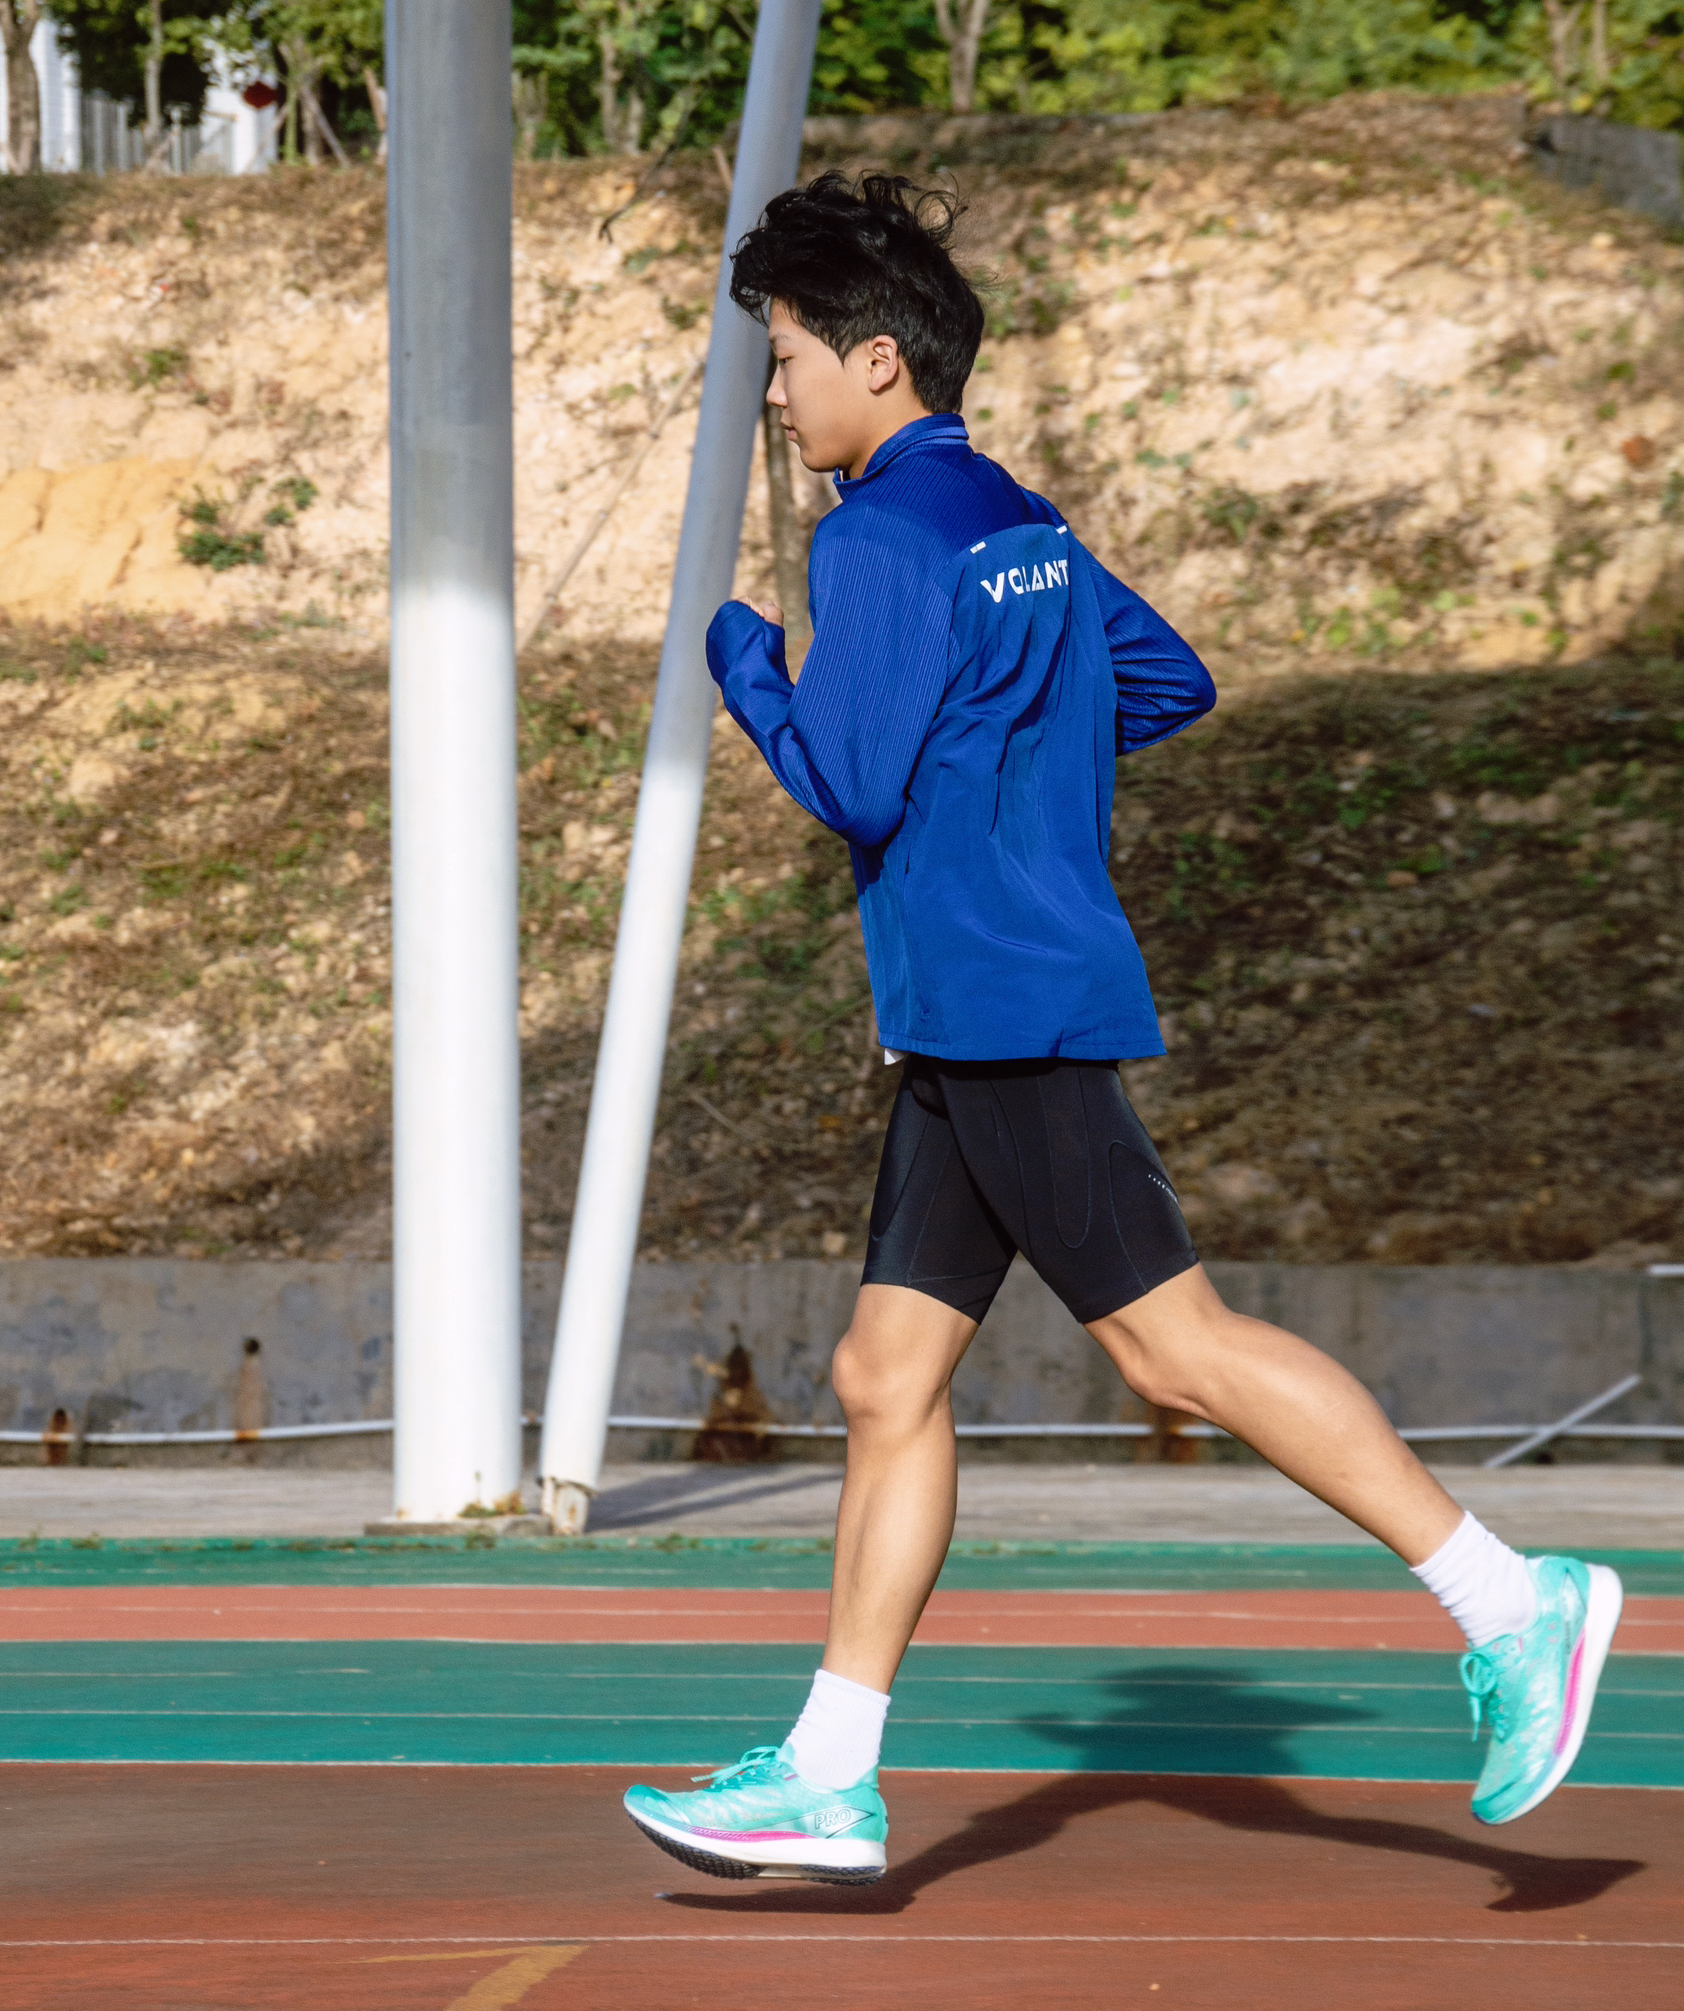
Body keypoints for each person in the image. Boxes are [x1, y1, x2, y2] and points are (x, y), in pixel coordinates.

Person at [622, 172, 1622, 1885]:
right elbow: (1166, 682)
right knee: (884, 1377)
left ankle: (1511, 1598)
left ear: (875, 359)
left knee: (1175, 1350)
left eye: (783, 356)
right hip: (980, 1008)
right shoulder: (1019, 519)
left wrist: (744, 660)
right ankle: (830, 1774)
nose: (773, 393)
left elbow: (849, 781)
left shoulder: (875, 534)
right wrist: (1015, 767)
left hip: (997, 1002)